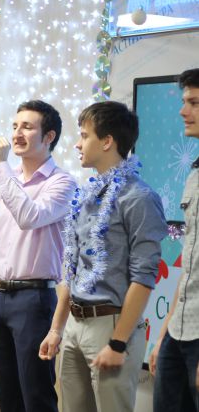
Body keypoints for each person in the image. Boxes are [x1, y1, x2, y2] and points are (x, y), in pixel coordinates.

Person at [38, 101, 167, 412]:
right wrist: (57, 328)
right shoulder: (86, 195)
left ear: (107, 141)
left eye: (84, 136)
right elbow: (72, 268)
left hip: (111, 323)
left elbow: (144, 276)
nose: (77, 144)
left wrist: (118, 342)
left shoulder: (139, 197)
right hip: (75, 323)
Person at [0, 100, 76, 412]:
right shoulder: (10, 179)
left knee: (36, 397)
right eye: (15, 126)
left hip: (33, 300)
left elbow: (30, 216)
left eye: (27, 127)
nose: (17, 133)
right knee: (7, 398)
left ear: (49, 136)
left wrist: (1, 167)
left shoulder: (62, 183)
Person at [150, 68, 199, 411]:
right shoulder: (194, 173)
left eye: (194, 103)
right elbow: (190, 263)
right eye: (184, 102)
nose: (183, 111)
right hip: (179, 328)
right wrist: (164, 333)